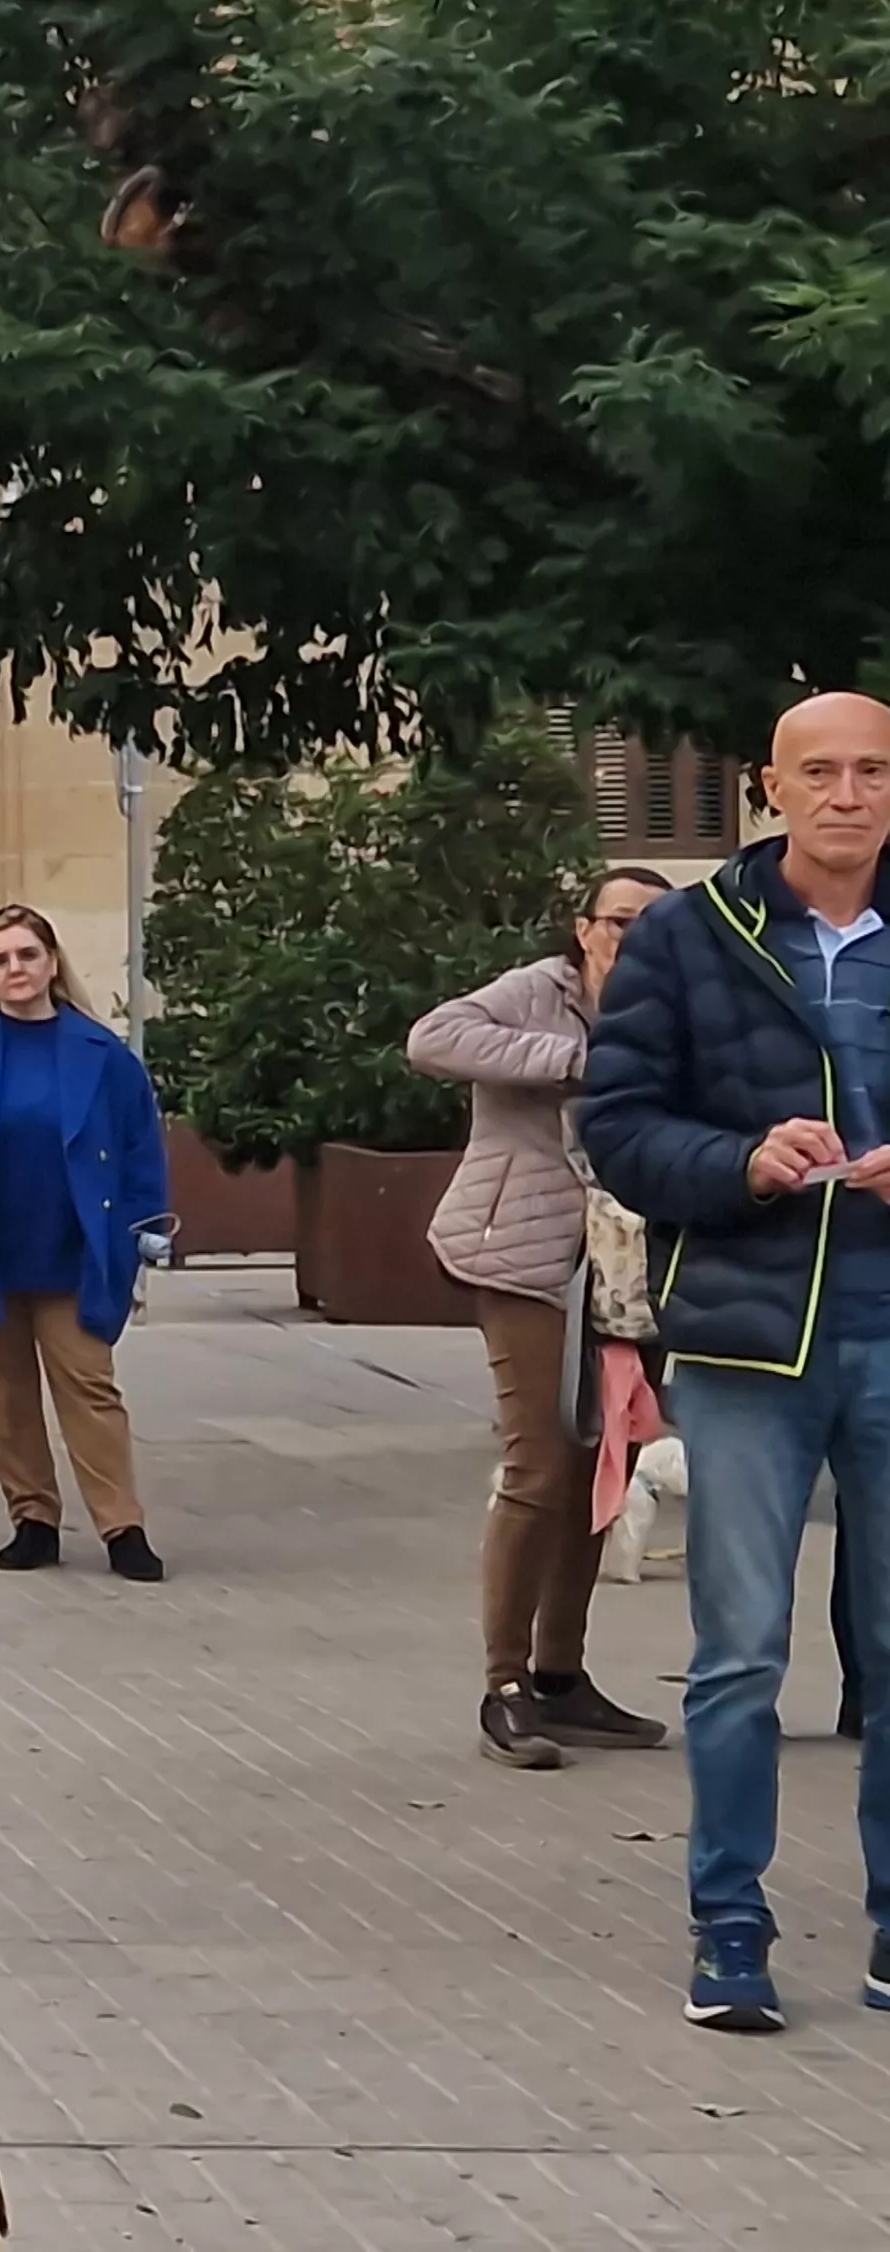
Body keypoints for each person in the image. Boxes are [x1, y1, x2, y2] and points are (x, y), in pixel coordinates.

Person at [583, 689, 890, 2036]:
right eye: (819, 771)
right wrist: (742, 1163)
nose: (847, 794)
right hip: (749, 1338)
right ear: (771, 786)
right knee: (741, 1652)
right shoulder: (689, 933)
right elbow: (618, 1125)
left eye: (872, 770)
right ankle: (729, 1924)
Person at [411, 868, 677, 1769]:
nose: (634, 939)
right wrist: (576, 1061)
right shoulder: (540, 992)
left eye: (655, 925)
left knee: (606, 1463)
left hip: (631, 1266)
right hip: (526, 1259)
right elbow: (435, 1038)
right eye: (620, 922)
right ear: (585, 928)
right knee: (539, 1461)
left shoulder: (676, 1004)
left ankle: (562, 1676)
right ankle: (506, 1684)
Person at [0, 906, 172, 1582]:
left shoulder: (104, 1056)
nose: (15, 969)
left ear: (52, 963)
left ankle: (122, 1527)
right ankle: (33, 1519)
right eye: (0, 960)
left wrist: (145, 1233)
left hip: (75, 1253)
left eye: (27, 955)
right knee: (3, 1397)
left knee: (90, 1388)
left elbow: (140, 1150)